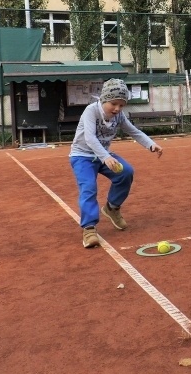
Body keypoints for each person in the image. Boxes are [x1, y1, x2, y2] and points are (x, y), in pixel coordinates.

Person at [69, 79, 163, 249]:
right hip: (82, 155)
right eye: (113, 104)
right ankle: (89, 229)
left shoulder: (118, 115)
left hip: (104, 155)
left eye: (121, 105)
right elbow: (90, 138)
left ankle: (112, 207)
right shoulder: (91, 111)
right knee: (89, 187)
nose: (117, 109)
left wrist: (150, 144)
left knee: (126, 172)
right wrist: (105, 157)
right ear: (104, 99)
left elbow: (133, 131)